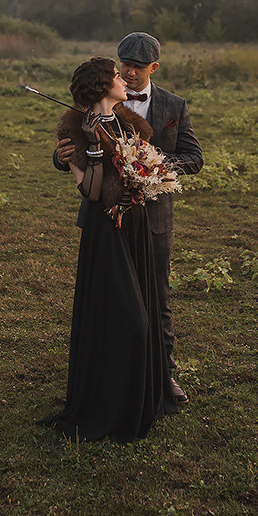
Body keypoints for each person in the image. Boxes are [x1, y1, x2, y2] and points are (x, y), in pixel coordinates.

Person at [54, 32, 203, 403]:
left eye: (138, 67)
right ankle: (113, 379)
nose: (130, 72)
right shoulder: (90, 116)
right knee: (117, 300)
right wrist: (61, 158)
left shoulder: (174, 106)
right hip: (109, 219)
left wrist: (153, 170)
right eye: (124, 65)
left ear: (155, 67)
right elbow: (77, 159)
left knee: (157, 297)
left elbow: (194, 158)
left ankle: (162, 375)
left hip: (153, 221)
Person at [39, 57, 179, 442]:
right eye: (117, 75)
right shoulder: (76, 129)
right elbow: (93, 192)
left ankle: (141, 397)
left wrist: (148, 177)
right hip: (106, 234)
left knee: (144, 310)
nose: (123, 78)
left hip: (134, 226)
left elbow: (138, 166)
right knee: (128, 320)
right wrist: (95, 156)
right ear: (103, 85)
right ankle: (106, 407)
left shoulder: (123, 120)